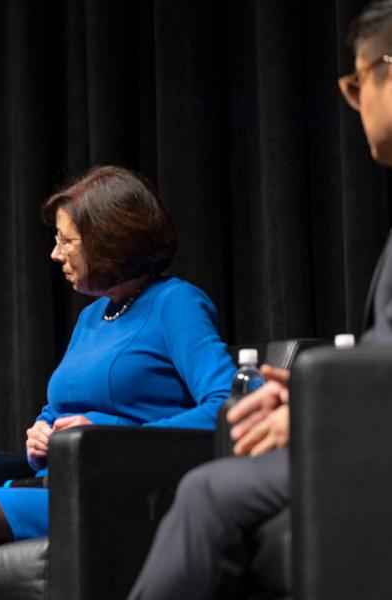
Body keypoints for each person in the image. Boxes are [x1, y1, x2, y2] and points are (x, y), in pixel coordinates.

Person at [0, 165, 237, 600]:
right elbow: (61, 406)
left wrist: (112, 438)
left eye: (67, 240)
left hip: (112, 488)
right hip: (53, 481)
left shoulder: (175, 303)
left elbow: (229, 404)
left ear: (111, 238)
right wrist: (41, 431)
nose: (55, 254)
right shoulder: (93, 316)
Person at [128, 2, 392, 597]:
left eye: (356, 84)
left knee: (206, 493)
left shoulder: (174, 303)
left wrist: (325, 414)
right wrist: (310, 393)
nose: (356, 106)